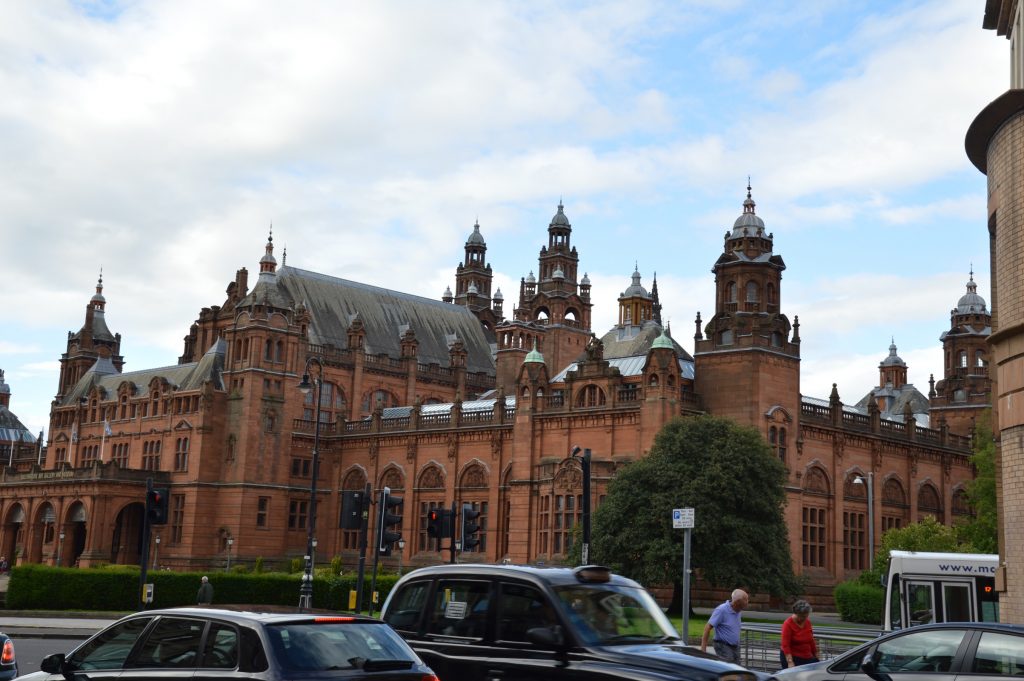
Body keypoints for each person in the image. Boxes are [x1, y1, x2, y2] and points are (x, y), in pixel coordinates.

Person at [700, 588, 748, 664]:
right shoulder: (721, 610)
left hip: (735, 646)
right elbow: (707, 628)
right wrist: (703, 650)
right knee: (728, 669)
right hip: (723, 645)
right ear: (736, 603)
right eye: (741, 606)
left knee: (737, 670)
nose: (743, 608)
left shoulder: (738, 610)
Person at [780, 599, 818, 668]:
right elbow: (785, 645)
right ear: (797, 613)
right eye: (803, 616)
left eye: (806, 616)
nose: (805, 618)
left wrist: (816, 654)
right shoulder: (788, 624)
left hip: (807, 657)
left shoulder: (807, 622)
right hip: (793, 658)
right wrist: (790, 662)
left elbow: (811, 640)